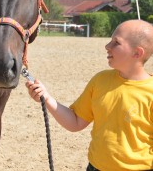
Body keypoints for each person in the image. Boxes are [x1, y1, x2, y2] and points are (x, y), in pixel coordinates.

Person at [26, 19, 153, 171]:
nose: (107, 46)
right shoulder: (100, 80)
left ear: (137, 53)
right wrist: (46, 98)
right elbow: (75, 122)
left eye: (116, 43)